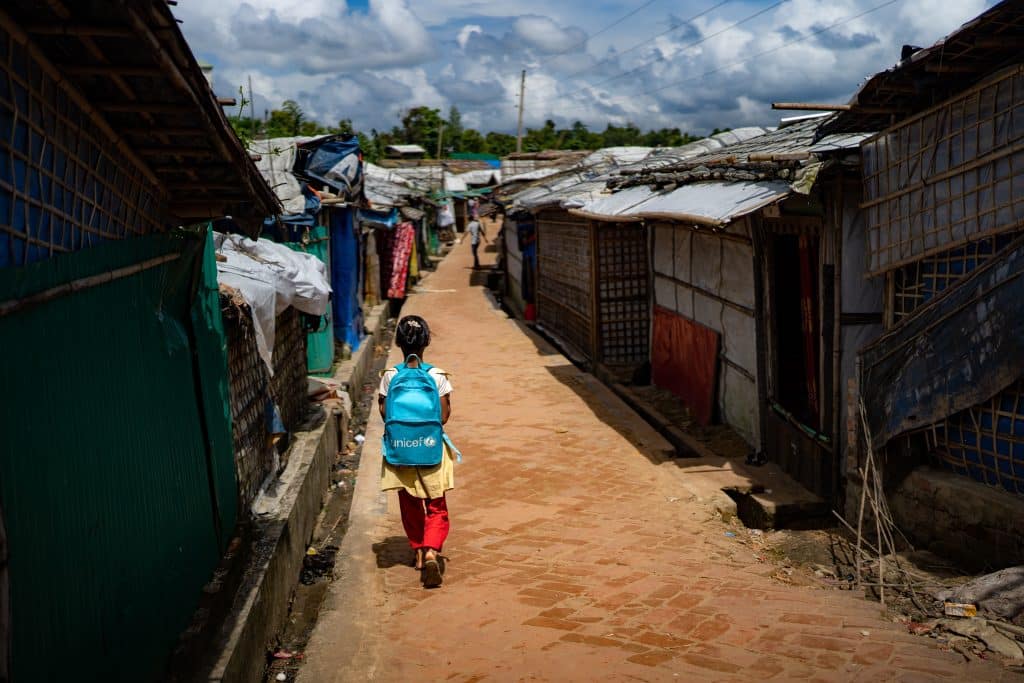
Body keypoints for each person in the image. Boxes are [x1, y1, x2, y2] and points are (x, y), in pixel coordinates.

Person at [378, 315, 454, 588]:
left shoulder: (389, 377)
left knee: (410, 503)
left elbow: (385, 415)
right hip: (431, 450)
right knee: (436, 504)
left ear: (398, 342)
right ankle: (433, 550)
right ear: (427, 342)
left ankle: (419, 551)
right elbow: (443, 416)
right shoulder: (437, 376)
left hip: (401, 452)